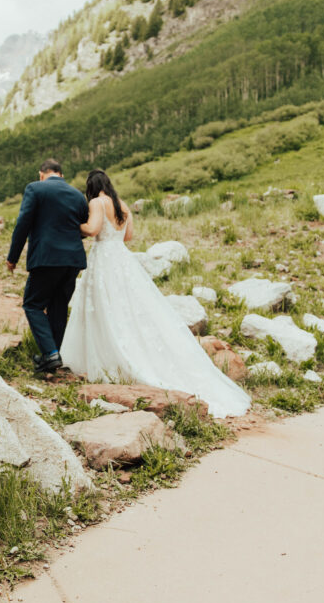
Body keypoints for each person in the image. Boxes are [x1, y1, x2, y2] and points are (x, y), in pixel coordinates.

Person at [60, 169, 251, 418]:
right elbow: (128, 236)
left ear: (91, 187)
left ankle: (107, 359)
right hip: (122, 259)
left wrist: (75, 224)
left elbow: (94, 229)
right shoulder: (122, 204)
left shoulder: (97, 202)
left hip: (104, 258)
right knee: (125, 306)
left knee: (103, 307)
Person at [6, 158, 89, 375]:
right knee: (58, 307)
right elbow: (82, 226)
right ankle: (51, 357)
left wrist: (12, 257)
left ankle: (51, 353)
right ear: (61, 174)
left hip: (46, 257)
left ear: (41, 174)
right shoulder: (77, 195)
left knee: (32, 304)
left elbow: (23, 223)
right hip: (73, 260)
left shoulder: (35, 188)